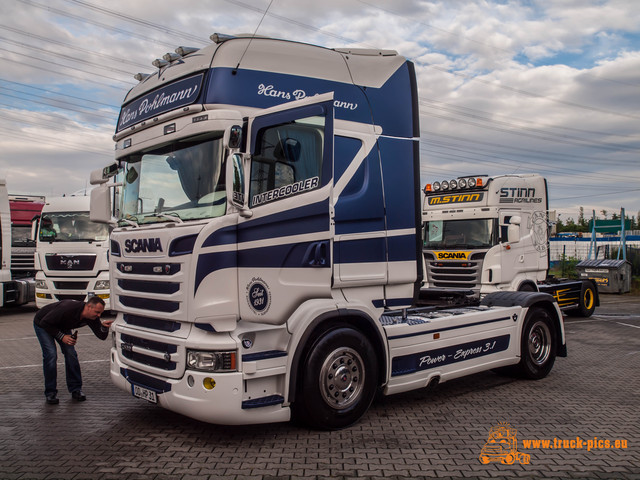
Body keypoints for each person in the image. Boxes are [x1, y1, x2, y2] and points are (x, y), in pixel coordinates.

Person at [33, 296, 113, 404]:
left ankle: (76, 390)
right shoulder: (68, 308)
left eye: (100, 313)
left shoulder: (91, 317)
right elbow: (45, 323)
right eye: (97, 312)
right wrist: (62, 337)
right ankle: (50, 393)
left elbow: (101, 336)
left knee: (71, 353)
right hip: (43, 323)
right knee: (51, 355)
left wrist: (104, 327)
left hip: (62, 325)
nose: (98, 315)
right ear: (88, 307)